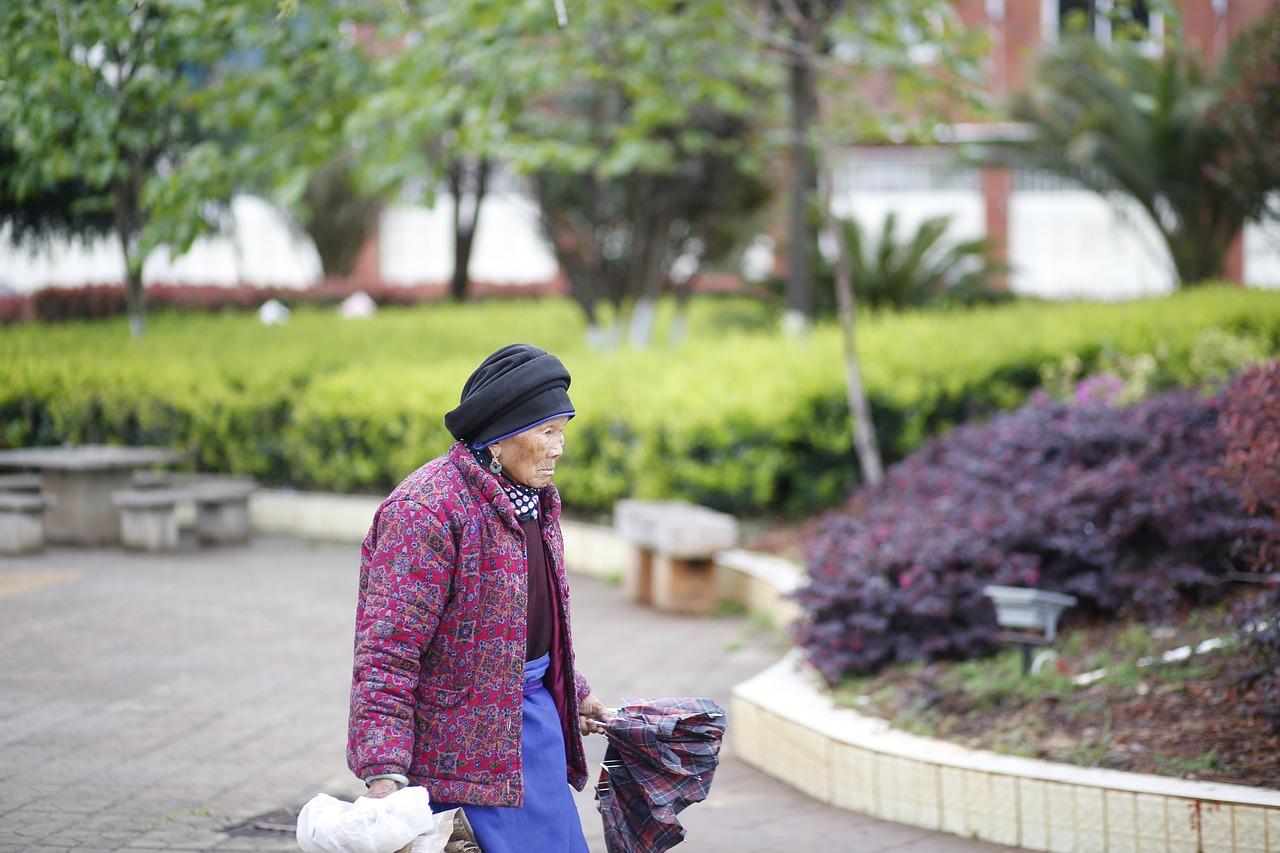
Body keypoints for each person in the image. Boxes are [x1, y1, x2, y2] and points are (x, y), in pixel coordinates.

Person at [346, 343, 609, 853]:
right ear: (498, 439)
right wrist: (383, 772)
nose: (559, 448)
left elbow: (525, 628)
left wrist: (573, 692)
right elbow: (386, 654)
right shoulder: (426, 511)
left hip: (534, 737)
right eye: (547, 432)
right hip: (458, 762)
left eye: (563, 431)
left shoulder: (533, 504)